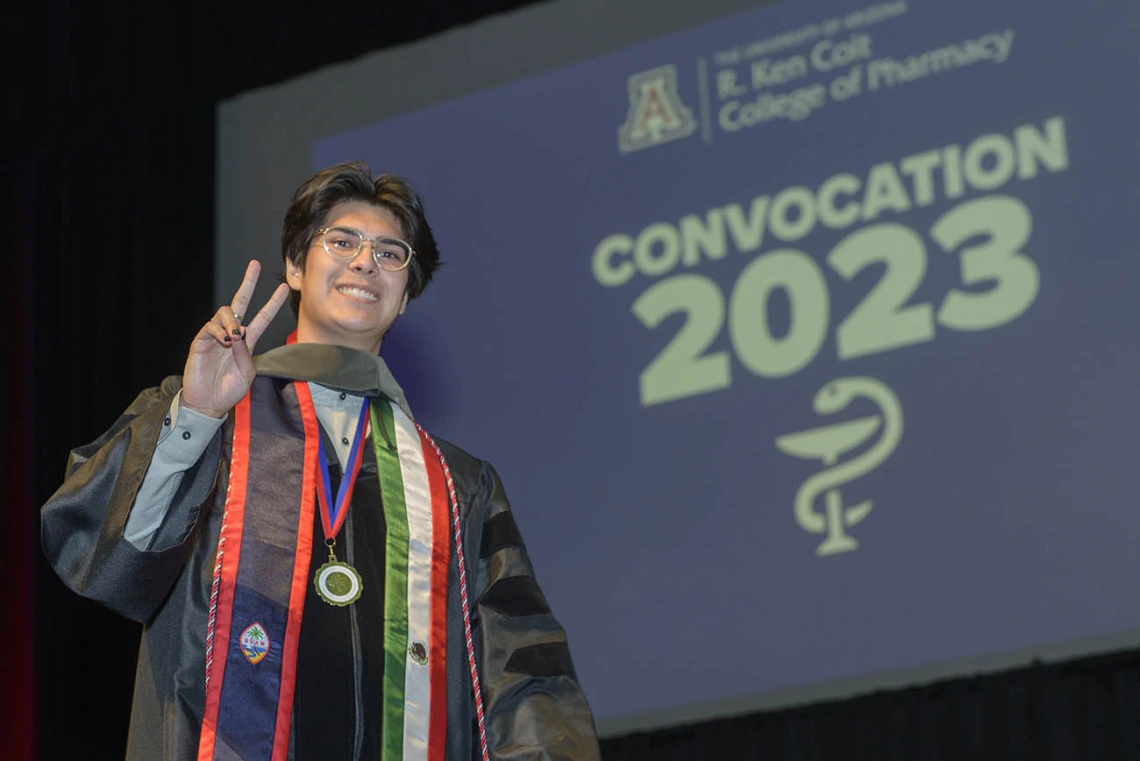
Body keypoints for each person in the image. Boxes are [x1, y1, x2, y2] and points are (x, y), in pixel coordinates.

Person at [41, 162, 600, 761]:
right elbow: (101, 564)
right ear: (294, 266)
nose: (366, 263)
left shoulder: (458, 484)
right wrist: (196, 418)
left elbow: (522, 674)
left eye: (391, 253)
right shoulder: (207, 421)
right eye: (342, 241)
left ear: (406, 296)